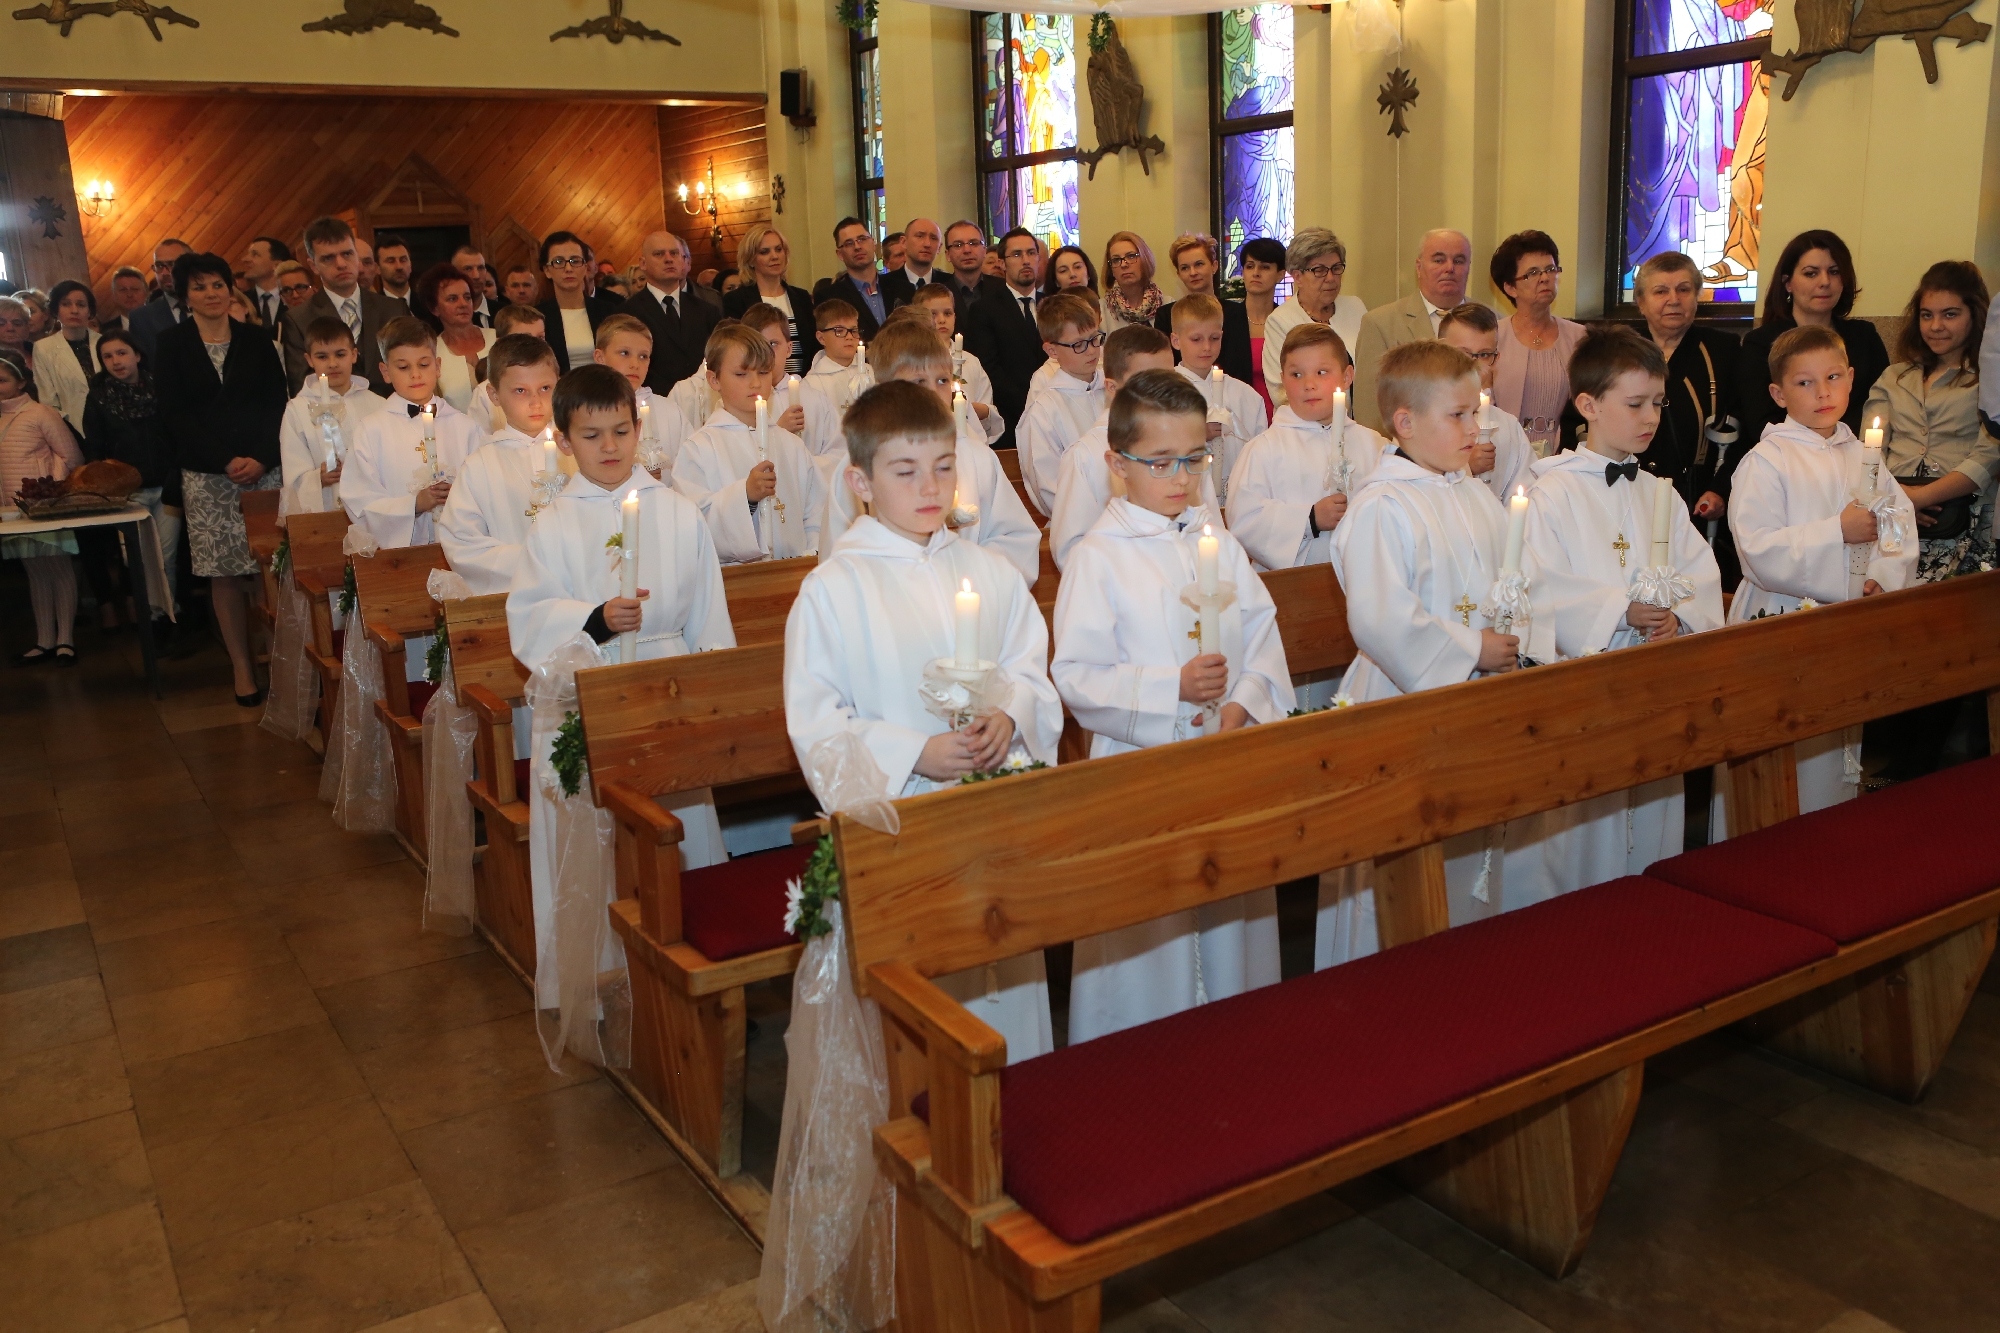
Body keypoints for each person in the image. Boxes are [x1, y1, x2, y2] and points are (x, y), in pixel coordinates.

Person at [783, 380, 1059, 1063]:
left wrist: (1012, 714)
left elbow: (1030, 667)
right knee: (920, 1015)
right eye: (904, 471)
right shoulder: (833, 589)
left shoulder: (989, 571)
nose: (930, 487)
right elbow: (816, 721)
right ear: (861, 481)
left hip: (992, 817)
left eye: (942, 466)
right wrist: (913, 753)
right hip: (902, 827)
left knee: (1005, 983)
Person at [1054, 368, 1289, 1044]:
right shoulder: (1099, 558)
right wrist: (1171, 688)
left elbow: (1261, 632)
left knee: (1230, 921)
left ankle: (1240, 1046)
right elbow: (1076, 675)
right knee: (1149, 936)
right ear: (1117, 465)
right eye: (1160, 462)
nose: (1181, 478)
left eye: (1194, 459)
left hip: (1224, 757)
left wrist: (1244, 702)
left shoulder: (1213, 539)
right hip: (1141, 768)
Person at [508, 363, 735, 1013]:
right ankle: (598, 978)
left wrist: (711, 705)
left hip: (667, 691)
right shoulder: (553, 523)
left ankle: (692, 978)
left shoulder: (678, 512)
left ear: (639, 429)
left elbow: (709, 618)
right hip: (588, 687)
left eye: (620, 431)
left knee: (677, 829)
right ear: (563, 440)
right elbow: (528, 618)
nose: (609, 447)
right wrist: (595, 618)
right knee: (600, 841)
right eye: (591, 435)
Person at [1317, 341, 1534, 966]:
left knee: (1469, 854)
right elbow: (1380, 617)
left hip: (1476, 700)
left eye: (1476, 413)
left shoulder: (1472, 493)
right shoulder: (1383, 505)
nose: (1475, 430)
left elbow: (1516, 578)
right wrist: (1471, 648)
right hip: (1400, 700)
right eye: (1458, 416)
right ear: (1405, 423)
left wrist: (1514, 634)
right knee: (1401, 869)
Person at [1521, 329, 1724, 900]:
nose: (1651, 417)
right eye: (1635, 404)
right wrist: (1618, 610)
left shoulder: (1658, 491)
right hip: (1591, 685)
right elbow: (1537, 583)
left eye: (1657, 403)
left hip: (1655, 678)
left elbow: (1699, 570)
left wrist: (1679, 615)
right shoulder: (1551, 492)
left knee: (1653, 810)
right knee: (1587, 826)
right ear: (1588, 405)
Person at [1726, 323, 1915, 822]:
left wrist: (1882, 576)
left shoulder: (1862, 455)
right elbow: (1756, 550)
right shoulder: (1766, 460)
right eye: (1804, 382)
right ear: (1778, 394)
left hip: (1848, 617)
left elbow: (1898, 521)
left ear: (1851, 378)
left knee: (1836, 747)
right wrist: (1837, 531)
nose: (1823, 392)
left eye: (1833, 377)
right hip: (1781, 617)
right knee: (1783, 754)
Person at [1865, 262, 1996, 780]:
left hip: (1962, 521)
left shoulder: (1987, 379)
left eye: (1950, 314)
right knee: (1894, 642)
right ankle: (1891, 756)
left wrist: (1924, 496)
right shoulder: (1894, 376)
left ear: (1974, 316)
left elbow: (1989, 452)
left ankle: (1921, 766)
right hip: (1896, 519)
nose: (1936, 326)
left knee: (1942, 648)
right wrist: (1900, 501)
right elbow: (1869, 448)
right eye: (1926, 314)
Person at [156, 251, 288, 703]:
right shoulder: (171, 344)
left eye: (218, 284)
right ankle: (242, 669)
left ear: (230, 289)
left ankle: (282, 663)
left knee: (270, 571)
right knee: (225, 575)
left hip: (263, 471)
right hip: (208, 476)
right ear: (185, 295)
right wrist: (224, 459)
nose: (211, 293)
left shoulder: (257, 339)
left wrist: (262, 458)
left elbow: (277, 404)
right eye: (200, 287)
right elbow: (173, 413)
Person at [818, 317, 1039, 585]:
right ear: (886, 388)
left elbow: (1015, 539)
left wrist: (967, 574)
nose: (933, 393)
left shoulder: (976, 456)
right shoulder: (862, 464)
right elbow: (837, 558)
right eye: (919, 382)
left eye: (943, 380)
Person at [1228, 323, 1389, 578]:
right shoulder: (1264, 449)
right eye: (1297, 374)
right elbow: (1245, 519)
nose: (1309, 384)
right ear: (1283, 380)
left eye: (1321, 372)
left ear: (1347, 376)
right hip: (1293, 587)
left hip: (1365, 578)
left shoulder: (1373, 445)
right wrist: (1310, 519)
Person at [1049, 324, 1203, 570]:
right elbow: (1071, 551)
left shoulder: (1187, 449)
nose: (1161, 393)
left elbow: (1208, 525)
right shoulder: (1085, 455)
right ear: (1112, 388)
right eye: (1147, 383)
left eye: (1168, 379)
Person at [671, 323, 825, 562]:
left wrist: (810, 554)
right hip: (737, 577)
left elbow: (817, 512)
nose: (755, 383)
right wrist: (745, 497)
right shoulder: (699, 449)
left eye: (763, 372)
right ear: (714, 379)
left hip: (795, 572)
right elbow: (693, 525)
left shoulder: (791, 444)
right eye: (742, 374)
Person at [1626, 251, 1743, 525]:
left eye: (1683, 289)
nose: (1674, 299)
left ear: (1697, 296)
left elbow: (1743, 428)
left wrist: (1721, 489)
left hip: (1698, 501)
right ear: (1641, 302)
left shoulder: (1723, 351)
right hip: (1628, 496)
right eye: (1660, 291)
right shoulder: (1617, 350)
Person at [1738, 230, 1890, 439]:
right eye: (1811, 273)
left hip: (1856, 447)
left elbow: (1881, 405)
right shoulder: (1761, 343)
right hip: (1787, 452)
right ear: (1788, 283)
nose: (1825, 281)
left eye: (1834, 272)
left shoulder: (1864, 337)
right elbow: (1761, 422)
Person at [342, 316, 478, 550]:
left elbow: (482, 490)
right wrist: (414, 505)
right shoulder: (372, 431)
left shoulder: (465, 427)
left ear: (438, 367)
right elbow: (360, 500)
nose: (415, 374)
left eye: (423, 365)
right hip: (399, 557)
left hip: (459, 548)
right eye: (403, 367)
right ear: (385, 372)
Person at [439, 334, 561, 594]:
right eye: (520, 391)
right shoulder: (480, 465)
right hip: (513, 595)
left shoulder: (577, 453)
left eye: (545, 388)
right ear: (494, 394)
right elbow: (462, 542)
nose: (535, 401)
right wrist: (533, 561)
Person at [82, 329, 182, 640]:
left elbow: (177, 435)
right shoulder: (98, 398)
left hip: (166, 487)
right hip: (127, 493)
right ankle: (148, 617)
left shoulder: (162, 389)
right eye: (107, 356)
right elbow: (95, 448)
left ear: (137, 355)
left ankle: (166, 616)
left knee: (166, 557)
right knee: (136, 559)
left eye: (122, 353)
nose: (116, 361)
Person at [1, 348, 85, 665]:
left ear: (21, 382)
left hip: (46, 506)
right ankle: (44, 640)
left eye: (2, 380)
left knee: (58, 567)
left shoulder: (41, 413)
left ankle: (65, 640)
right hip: (12, 509)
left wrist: (48, 487)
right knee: (35, 572)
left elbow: (72, 457)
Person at [1351, 228, 1475, 430]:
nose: (1449, 268)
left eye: (1459, 261)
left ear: (1469, 267)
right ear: (1419, 267)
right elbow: (1369, 411)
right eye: (1439, 260)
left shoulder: (1494, 321)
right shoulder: (1380, 324)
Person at [283, 217, 409, 395]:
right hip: (332, 410)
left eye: (347, 254)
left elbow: (409, 370)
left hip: (391, 408)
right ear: (313, 265)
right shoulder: (299, 319)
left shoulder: (393, 309)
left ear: (356, 255)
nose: (341, 264)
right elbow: (302, 387)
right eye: (328, 258)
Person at [1488, 230, 1587, 454]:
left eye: (1550, 269)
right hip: (1502, 454)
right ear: (1510, 287)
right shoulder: (1493, 337)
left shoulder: (1580, 338)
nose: (1545, 278)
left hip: (1565, 454)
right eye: (1532, 273)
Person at [277, 318, 384, 519]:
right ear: (309, 360)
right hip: (324, 514)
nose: (333, 363)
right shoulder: (297, 410)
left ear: (354, 354)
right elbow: (293, 474)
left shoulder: (378, 404)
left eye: (340, 354)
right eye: (322, 356)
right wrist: (318, 478)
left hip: (373, 509)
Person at [1168, 293, 1268, 504]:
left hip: (1237, 501)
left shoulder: (1246, 395)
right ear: (1176, 341)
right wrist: (1195, 436)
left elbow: (1260, 455)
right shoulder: (1163, 392)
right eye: (1196, 339)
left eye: (1214, 338)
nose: (1207, 347)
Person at [1015, 292, 1105, 514]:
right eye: (1079, 344)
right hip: (1080, 521)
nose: (1091, 350)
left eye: (1094, 338)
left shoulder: (1115, 390)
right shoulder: (1044, 412)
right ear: (1052, 350)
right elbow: (1049, 488)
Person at [1435, 303, 1536, 501]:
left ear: (1495, 359)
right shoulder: (1421, 420)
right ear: (1439, 353)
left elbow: (1526, 493)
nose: (1473, 364)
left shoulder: (1507, 426)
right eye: (1463, 353)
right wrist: (1465, 468)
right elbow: (1412, 487)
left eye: (1484, 355)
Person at [1260, 230, 1367, 415]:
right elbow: (1281, 391)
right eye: (1319, 270)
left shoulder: (1355, 308)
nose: (1330, 278)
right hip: (1304, 424)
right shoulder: (1280, 320)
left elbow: (1371, 369)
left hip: (1355, 423)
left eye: (1336, 268)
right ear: (1297, 276)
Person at [962, 227, 1051, 438]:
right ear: (1002, 263)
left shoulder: (1053, 306)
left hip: (1053, 414)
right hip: (1010, 419)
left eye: (1031, 253)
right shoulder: (985, 309)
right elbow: (990, 369)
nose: (1026, 261)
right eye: (1017, 254)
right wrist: (1031, 404)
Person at [739, 302, 843, 464]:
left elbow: (839, 453)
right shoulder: (739, 403)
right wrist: (779, 432)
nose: (766, 353)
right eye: (758, 345)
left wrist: (803, 469)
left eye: (773, 344)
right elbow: (736, 459)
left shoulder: (815, 399)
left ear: (789, 349)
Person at [623, 230, 720, 394]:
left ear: (683, 261)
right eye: (659, 254)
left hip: (705, 396)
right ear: (643, 263)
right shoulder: (628, 313)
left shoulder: (706, 310)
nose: (668, 259)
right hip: (653, 399)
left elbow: (718, 357)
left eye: (674, 253)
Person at [1153, 233, 1255, 387]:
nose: (1193, 272)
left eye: (1199, 264)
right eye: (1185, 268)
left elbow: (1241, 365)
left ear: (1214, 266)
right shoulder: (1166, 315)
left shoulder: (1236, 312)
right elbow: (1163, 366)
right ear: (1178, 274)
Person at [904, 284, 1001, 441]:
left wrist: (969, 408)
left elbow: (987, 412)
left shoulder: (971, 361)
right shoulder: (912, 361)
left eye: (947, 313)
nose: (942, 320)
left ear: (955, 316)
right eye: (933, 314)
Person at [722, 226, 814, 375]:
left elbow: (812, 346)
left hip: (802, 381)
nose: (774, 256)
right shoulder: (736, 300)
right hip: (758, 380)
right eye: (764, 252)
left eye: (778, 249)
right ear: (751, 260)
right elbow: (735, 349)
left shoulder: (801, 297)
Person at [536, 231, 624, 375]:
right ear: (547, 270)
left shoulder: (608, 311)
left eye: (575, 261)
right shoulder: (538, 317)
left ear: (585, 267)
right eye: (558, 262)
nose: (568, 268)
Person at [415, 263, 497, 414]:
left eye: (467, 297)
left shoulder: (497, 339)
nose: (463, 304)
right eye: (452, 299)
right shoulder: (432, 352)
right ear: (434, 308)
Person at [32, 279, 100, 438]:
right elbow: (48, 400)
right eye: (66, 304)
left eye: (81, 305)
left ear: (90, 311)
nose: (74, 310)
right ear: (56, 310)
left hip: (113, 426)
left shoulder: (104, 342)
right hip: (72, 429)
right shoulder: (43, 348)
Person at [1239, 240, 1286, 424]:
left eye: (1265, 267)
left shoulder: (1286, 321)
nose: (1256, 272)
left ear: (1280, 274)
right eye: (1250, 266)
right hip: (1238, 418)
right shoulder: (1226, 320)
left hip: (1280, 416)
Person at [126, 237, 193, 365]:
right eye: (159, 266)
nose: (164, 273)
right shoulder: (141, 318)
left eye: (172, 264)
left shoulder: (211, 305)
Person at [824, 217, 888, 341]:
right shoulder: (831, 298)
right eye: (849, 243)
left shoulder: (901, 287)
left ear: (873, 243)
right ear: (840, 254)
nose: (857, 246)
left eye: (862, 239)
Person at [1100, 231, 1166, 333]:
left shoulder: (1168, 306)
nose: (1123, 264)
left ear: (1145, 260)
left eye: (1131, 256)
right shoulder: (1101, 311)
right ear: (1111, 269)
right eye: (1116, 260)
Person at [806, 299, 868, 406]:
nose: (849, 337)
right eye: (839, 331)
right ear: (821, 338)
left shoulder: (870, 372)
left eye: (854, 331)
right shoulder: (812, 383)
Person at [938, 220, 1003, 321]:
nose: (967, 250)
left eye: (973, 243)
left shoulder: (1004, 288)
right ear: (948, 255)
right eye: (958, 245)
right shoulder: (937, 294)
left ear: (984, 251)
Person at [879, 216, 943, 311]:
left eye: (933, 238)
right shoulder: (882, 285)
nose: (927, 244)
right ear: (904, 242)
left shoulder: (948, 283)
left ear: (939, 247)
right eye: (920, 236)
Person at [241, 236, 293, 340]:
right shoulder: (242, 301)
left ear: (276, 265)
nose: (245, 259)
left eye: (255, 254)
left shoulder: (295, 297)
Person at [592, 312, 653, 395]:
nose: (635, 365)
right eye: (625, 353)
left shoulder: (663, 403)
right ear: (600, 358)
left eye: (643, 356)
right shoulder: (583, 402)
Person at [449, 246, 498, 328]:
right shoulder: (443, 317)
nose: (476, 276)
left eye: (480, 268)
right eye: (468, 269)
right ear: (454, 273)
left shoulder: (504, 312)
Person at [107, 266, 151, 333]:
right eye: (123, 290)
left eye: (135, 289)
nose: (129, 295)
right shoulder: (105, 332)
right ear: (114, 295)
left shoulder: (161, 324)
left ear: (146, 292)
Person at [375, 234, 414, 304]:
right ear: (377, 268)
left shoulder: (428, 304)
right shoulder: (371, 307)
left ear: (410, 265)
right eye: (391, 261)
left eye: (403, 260)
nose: (399, 267)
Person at [0, 298, 32, 370]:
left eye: (17, 323)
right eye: (1, 323)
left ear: (27, 327)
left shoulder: (40, 351)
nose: (10, 328)